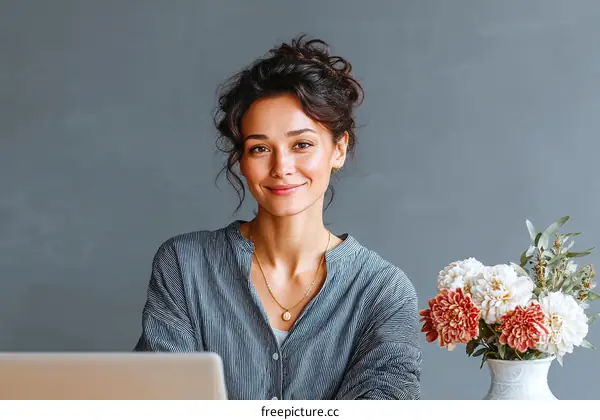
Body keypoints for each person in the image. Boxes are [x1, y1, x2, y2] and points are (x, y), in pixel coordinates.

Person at [134, 35, 422, 400]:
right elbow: (163, 401)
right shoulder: (184, 264)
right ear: (241, 159)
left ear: (339, 148)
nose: (281, 167)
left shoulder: (384, 291)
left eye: (302, 144)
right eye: (259, 148)